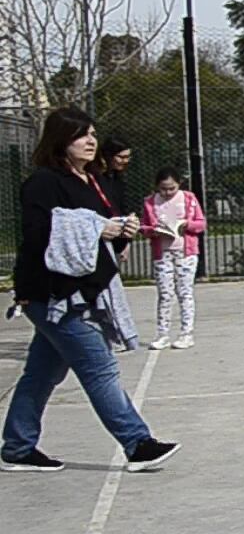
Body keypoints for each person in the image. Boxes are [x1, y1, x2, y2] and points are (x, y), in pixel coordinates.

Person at [3, 108, 178, 472]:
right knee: (99, 366)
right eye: (81, 135)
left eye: (93, 133)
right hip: (53, 296)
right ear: (60, 141)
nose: (91, 141)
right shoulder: (43, 183)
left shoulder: (91, 180)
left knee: (41, 374)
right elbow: (41, 237)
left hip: (85, 292)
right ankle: (137, 443)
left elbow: (100, 230)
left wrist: (121, 230)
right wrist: (96, 229)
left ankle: (17, 448)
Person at [140, 167, 206, 350]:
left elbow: (201, 224)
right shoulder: (150, 202)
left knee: (184, 292)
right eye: (163, 189)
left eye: (172, 188)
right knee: (165, 294)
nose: (168, 193)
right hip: (162, 253)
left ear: (179, 185)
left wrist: (188, 225)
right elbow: (143, 227)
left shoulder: (188, 199)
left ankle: (186, 333)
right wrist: (152, 231)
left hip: (186, 252)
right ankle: (162, 334)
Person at [91, 138, 134, 259]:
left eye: (128, 157)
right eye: (121, 157)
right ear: (109, 156)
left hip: (117, 235)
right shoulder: (97, 178)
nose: (125, 161)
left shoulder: (118, 179)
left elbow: (123, 208)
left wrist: (127, 241)